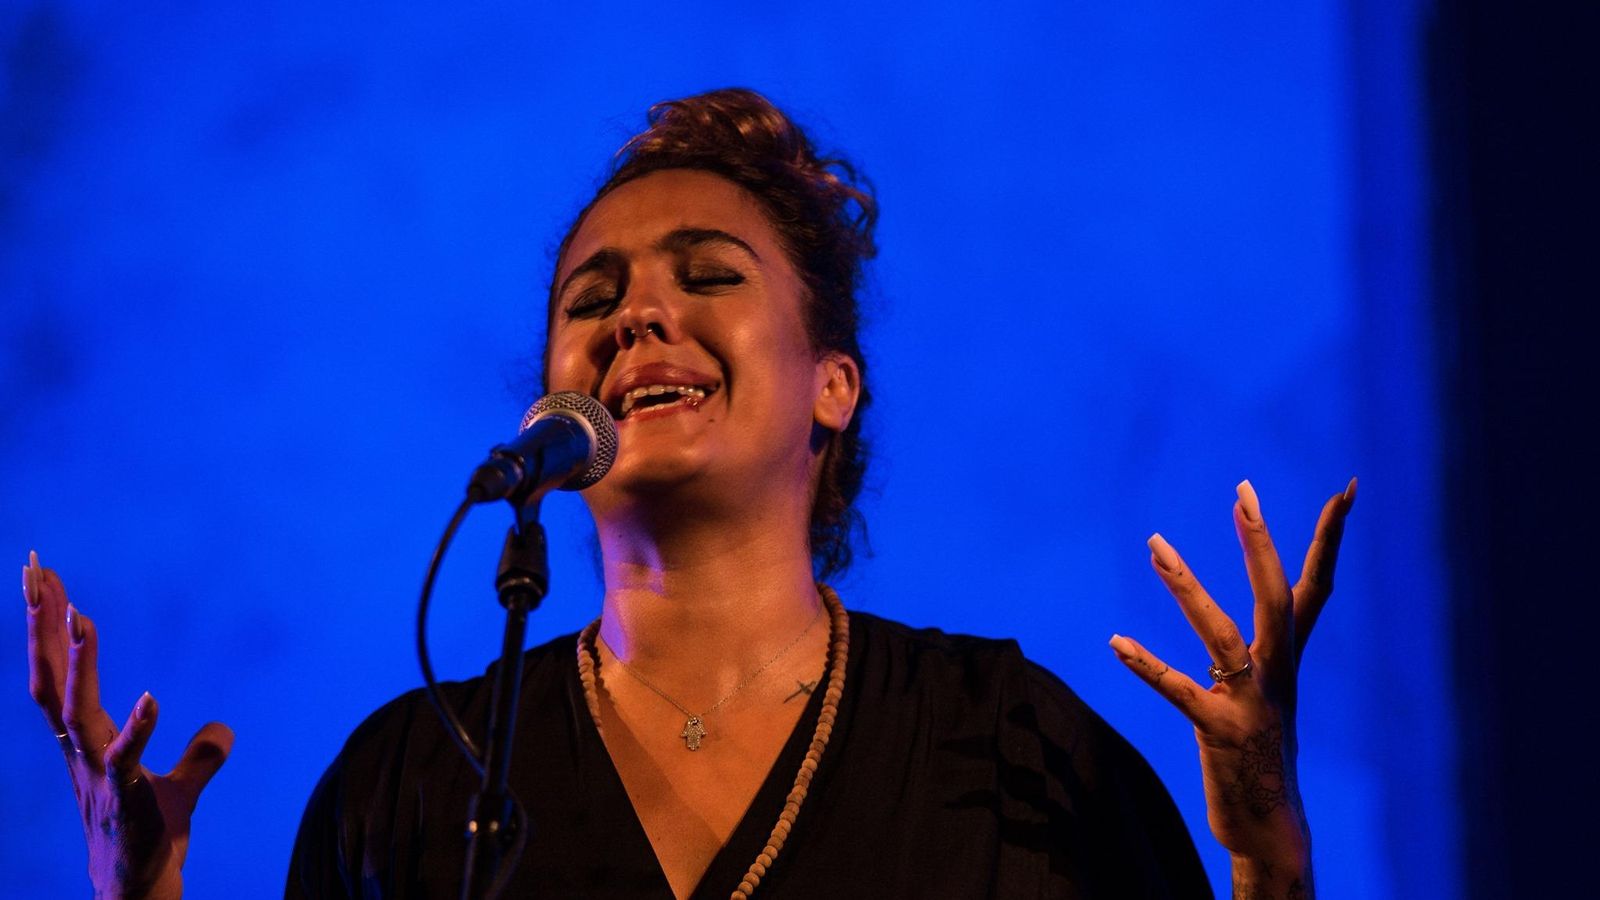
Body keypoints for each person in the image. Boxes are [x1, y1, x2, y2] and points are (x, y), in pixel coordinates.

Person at [23, 88, 1355, 899]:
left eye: (708, 275)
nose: (638, 314)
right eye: (591, 300)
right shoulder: (413, 781)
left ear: (834, 384)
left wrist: (1265, 857)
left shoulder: (1008, 744)